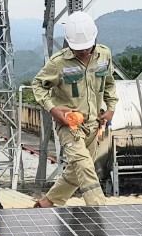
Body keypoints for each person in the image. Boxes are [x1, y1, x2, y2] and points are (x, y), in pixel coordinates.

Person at [31, 11, 118, 207]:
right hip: (69, 126)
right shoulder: (58, 63)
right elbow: (38, 85)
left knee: (76, 170)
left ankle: (47, 202)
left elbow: (109, 83)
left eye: (86, 47)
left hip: (93, 124)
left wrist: (111, 108)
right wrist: (53, 110)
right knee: (84, 165)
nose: (83, 51)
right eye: (78, 48)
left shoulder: (104, 55)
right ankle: (98, 208)